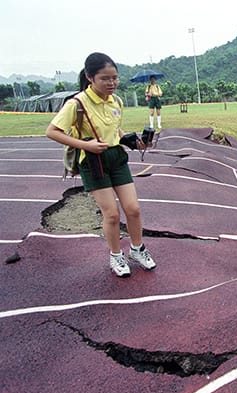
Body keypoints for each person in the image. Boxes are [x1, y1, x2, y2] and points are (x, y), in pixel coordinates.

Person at [45, 52, 156, 278]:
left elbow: (115, 129)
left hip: (116, 157)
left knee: (133, 209)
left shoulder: (116, 101)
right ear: (90, 77)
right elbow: (52, 132)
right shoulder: (76, 104)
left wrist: (134, 141)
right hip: (93, 162)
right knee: (112, 214)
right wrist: (85, 146)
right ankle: (116, 255)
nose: (112, 83)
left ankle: (137, 249)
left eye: (114, 78)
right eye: (105, 78)